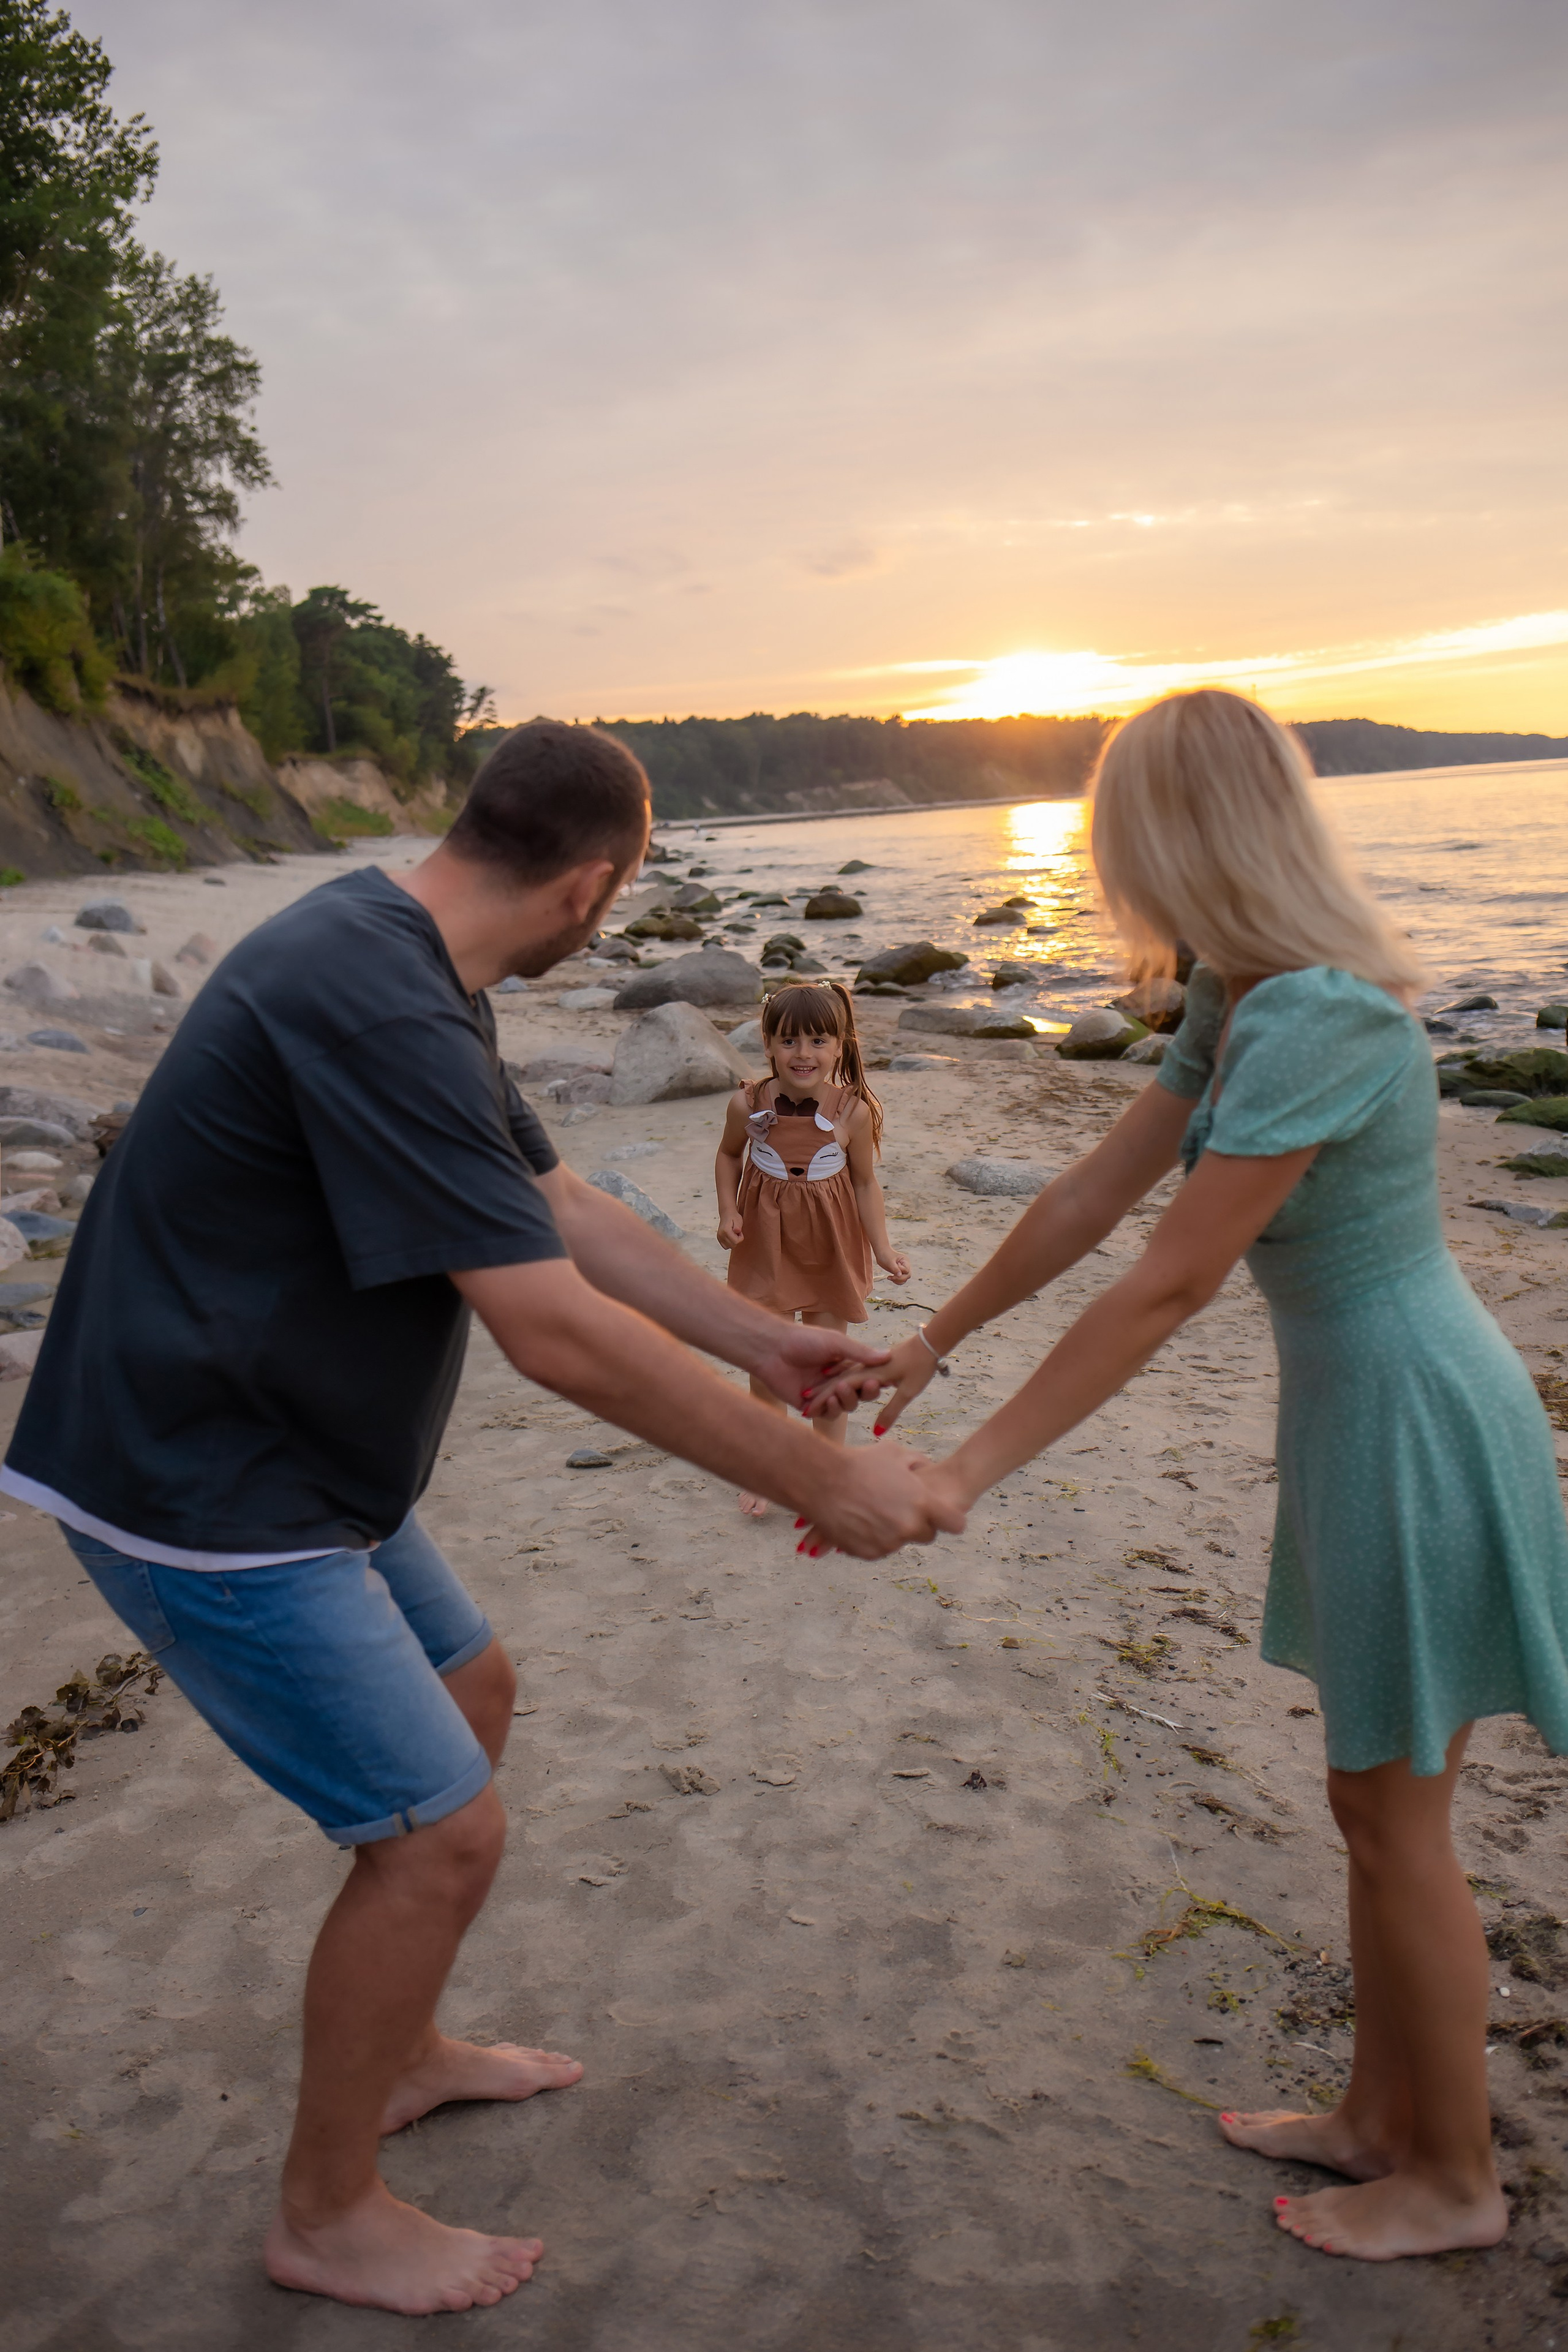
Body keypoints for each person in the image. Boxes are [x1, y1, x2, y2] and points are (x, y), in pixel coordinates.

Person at [1, 720, 961, 2318]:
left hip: (293, 1456)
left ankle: (404, 2052)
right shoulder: (373, 991)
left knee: (474, 1693)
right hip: (202, 1481)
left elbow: (560, 1205)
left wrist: (765, 1346)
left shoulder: (403, 958)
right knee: (445, 1836)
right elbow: (550, 1328)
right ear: (595, 887)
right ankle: (326, 2212)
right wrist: (821, 1480)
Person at [856, 688, 1568, 2262]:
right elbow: (1092, 1191)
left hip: (1408, 1417)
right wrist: (935, 1343)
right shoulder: (1239, 992)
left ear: (1178, 835)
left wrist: (964, 1471)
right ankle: (1382, 2119)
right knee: (1365, 1793)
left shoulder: (1320, 1009)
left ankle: (1454, 2178)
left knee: (1399, 1816)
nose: (1118, 879)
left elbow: (1167, 1282)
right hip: (1355, 1405)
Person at [714, 981, 910, 1517]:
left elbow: (867, 1185)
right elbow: (729, 1156)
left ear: (841, 1045)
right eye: (790, 1041)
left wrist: (885, 1250)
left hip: (829, 1248)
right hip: (765, 1247)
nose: (804, 1054)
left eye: (819, 1041)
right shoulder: (747, 1103)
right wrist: (727, 1211)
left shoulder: (853, 1113)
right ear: (769, 1042)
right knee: (768, 1365)